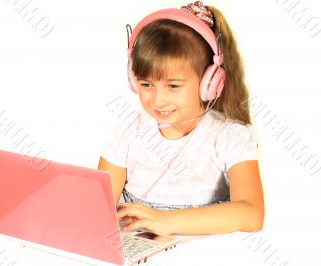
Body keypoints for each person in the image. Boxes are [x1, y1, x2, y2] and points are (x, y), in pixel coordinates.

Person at [98, 1, 264, 236]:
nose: (158, 100)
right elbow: (97, 208)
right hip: (135, 249)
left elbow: (252, 214)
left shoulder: (229, 137)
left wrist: (167, 221)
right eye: (146, 84)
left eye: (173, 85)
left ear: (210, 82)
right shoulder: (128, 131)